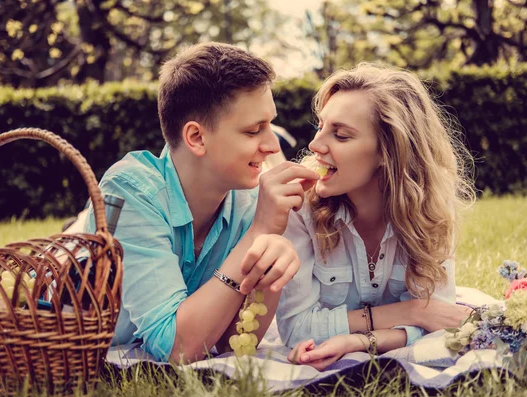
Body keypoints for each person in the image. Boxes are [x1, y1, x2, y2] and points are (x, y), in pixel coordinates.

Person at [83, 42, 319, 363]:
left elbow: (233, 342)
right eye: (253, 130)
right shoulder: (132, 189)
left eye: (270, 125)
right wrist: (257, 233)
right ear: (196, 137)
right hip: (51, 322)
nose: (271, 145)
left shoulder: (249, 202)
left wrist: (271, 255)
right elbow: (177, 349)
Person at [276, 63, 476, 371]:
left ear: (389, 151)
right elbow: (296, 329)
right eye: (320, 126)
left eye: (340, 135)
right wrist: (412, 312)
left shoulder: (429, 209)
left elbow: (441, 321)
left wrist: (358, 341)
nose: (315, 145)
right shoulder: (299, 206)